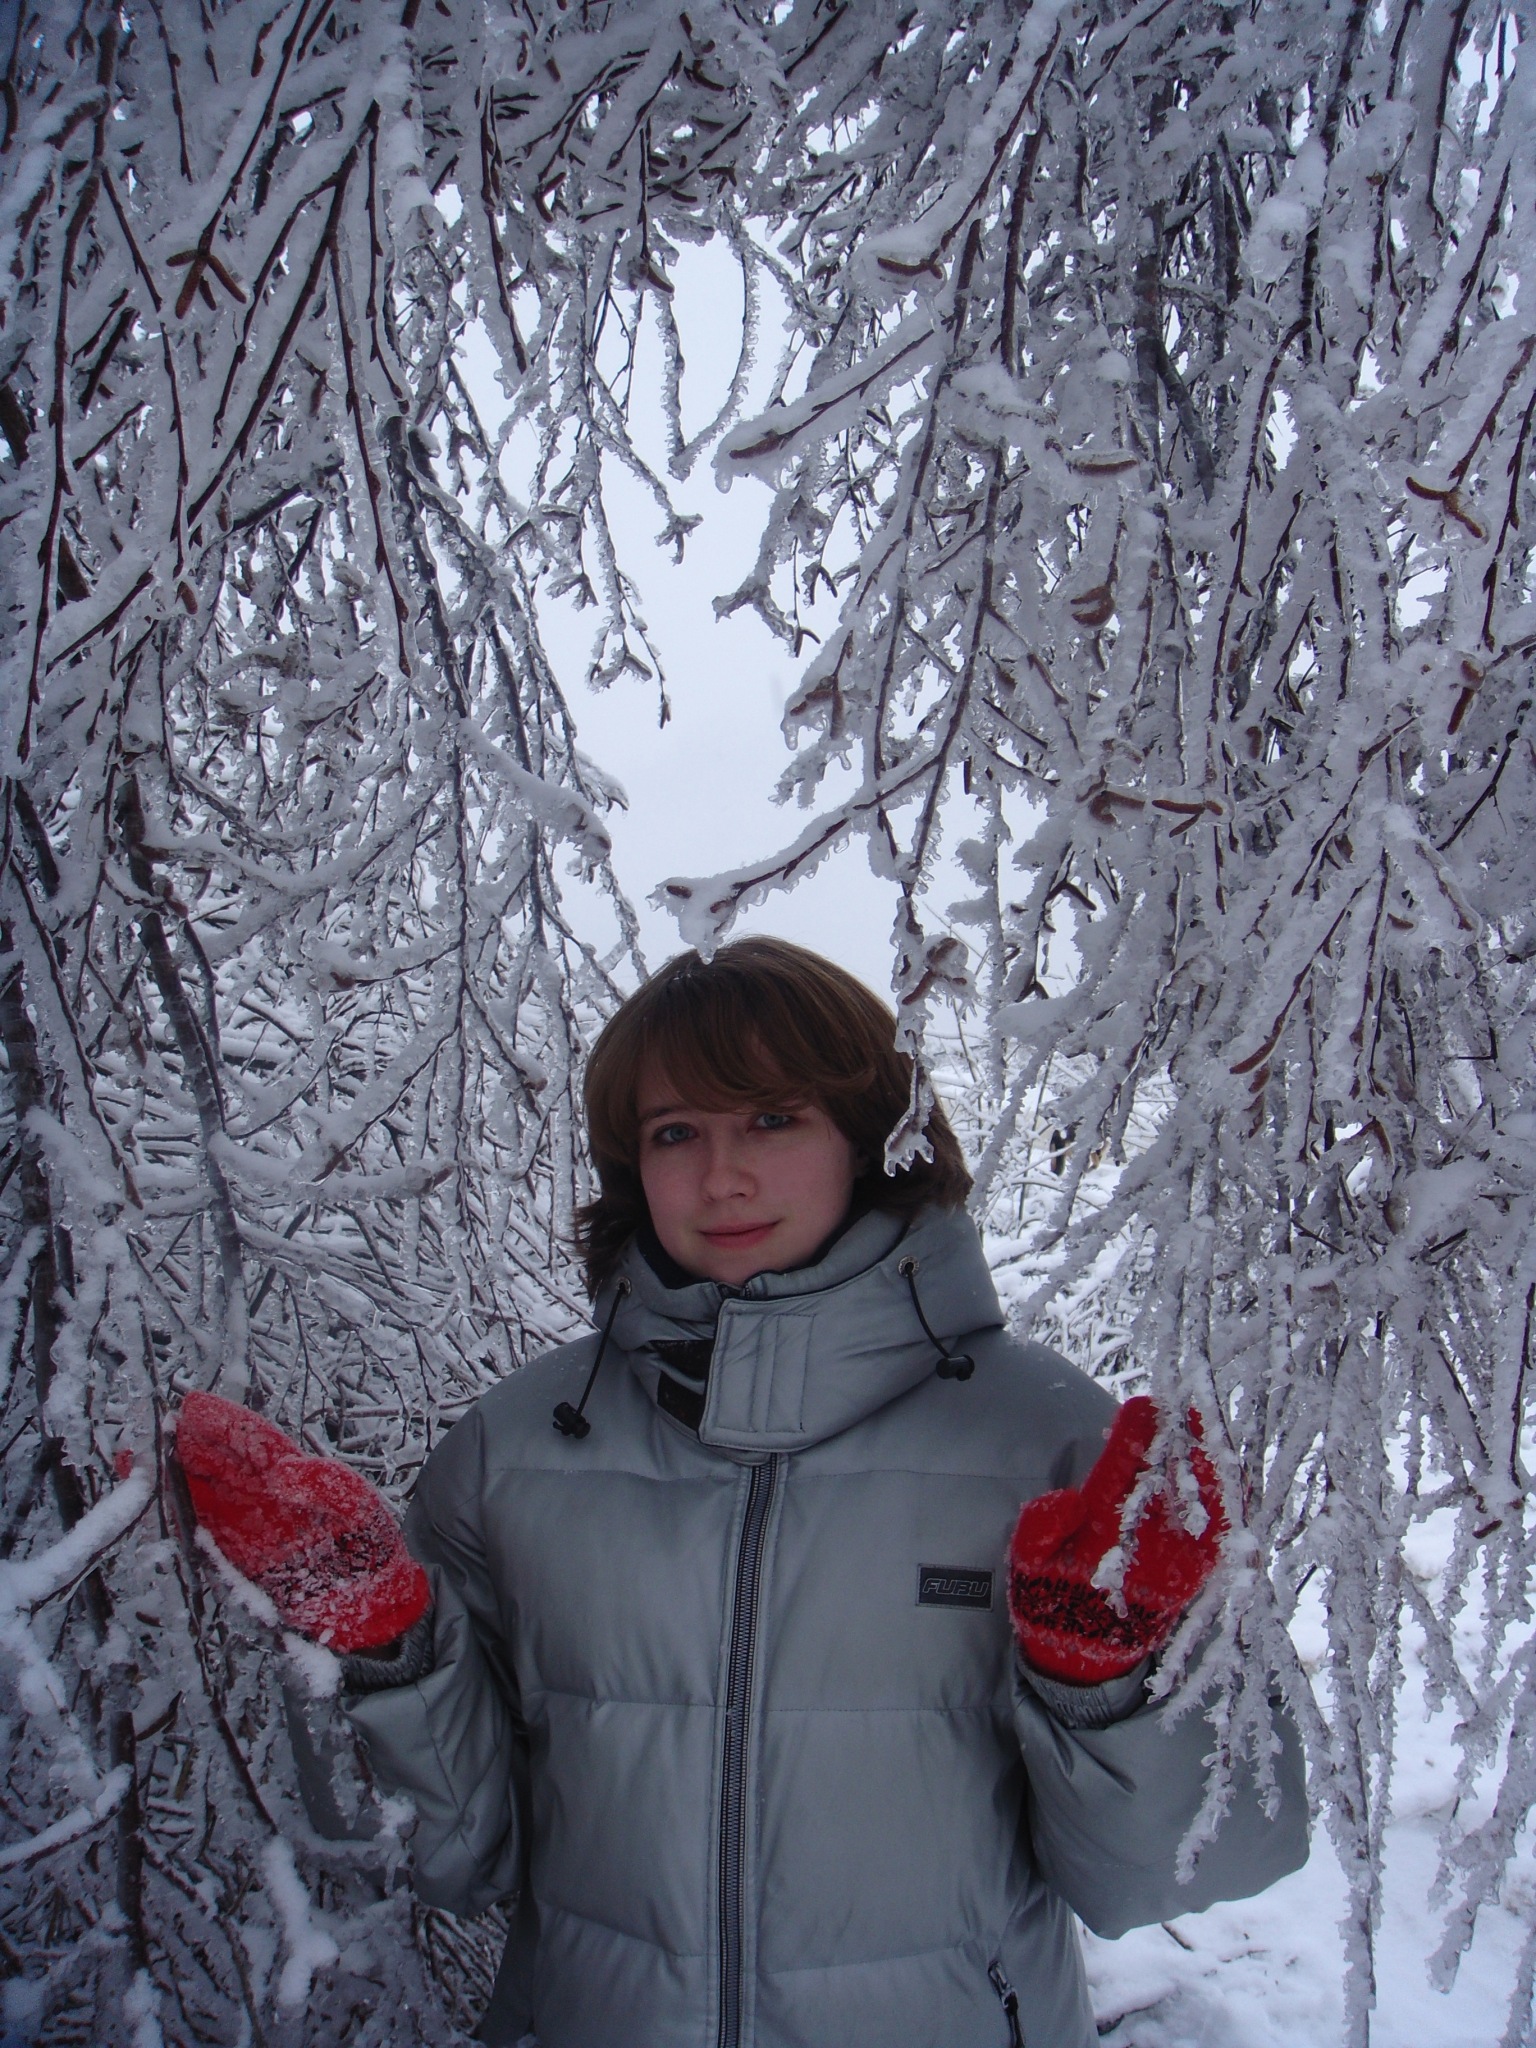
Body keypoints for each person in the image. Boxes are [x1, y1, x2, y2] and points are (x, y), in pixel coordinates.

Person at [177, 938, 1308, 2048]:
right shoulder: (518, 1447)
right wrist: (384, 1650)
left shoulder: (1043, 1439)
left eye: (772, 1118)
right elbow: (449, 1858)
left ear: (870, 1137)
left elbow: (1185, 1868)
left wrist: (1110, 1685)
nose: (721, 1175)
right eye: (676, 1131)